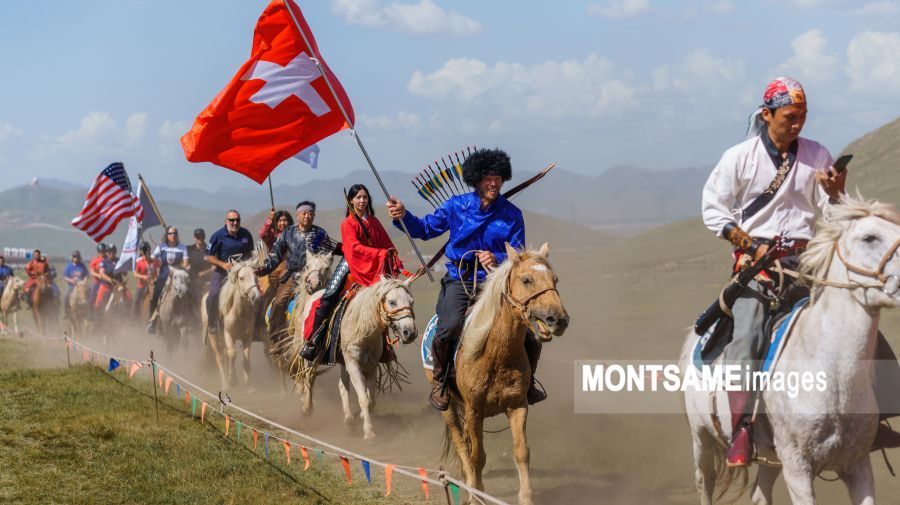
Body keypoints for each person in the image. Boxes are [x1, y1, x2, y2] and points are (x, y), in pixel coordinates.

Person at [701, 76, 900, 466]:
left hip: (808, 263)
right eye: (790, 117)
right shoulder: (739, 158)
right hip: (757, 266)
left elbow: (834, 217)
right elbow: (714, 210)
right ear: (767, 114)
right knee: (749, 335)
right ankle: (741, 429)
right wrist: (751, 245)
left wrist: (835, 194)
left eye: (802, 116)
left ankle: (877, 418)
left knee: (862, 326)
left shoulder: (816, 154)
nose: (797, 124)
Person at [387, 148, 545, 411]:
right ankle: (440, 381)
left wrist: (496, 257)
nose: (493, 183)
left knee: (530, 334)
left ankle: (527, 384)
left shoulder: (512, 214)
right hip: (459, 279)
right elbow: (425, 229)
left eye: (498, 178)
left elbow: (519, 257)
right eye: (488, 178)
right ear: (476, 180)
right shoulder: (456, 206)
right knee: (449, 326)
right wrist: (403, 216)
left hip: (496, 282)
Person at [300, 187, 399, 361]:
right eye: (358, 197)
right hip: (350, 264)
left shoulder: (374, 221)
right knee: (328, 297)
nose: (362, 200)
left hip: (373, 266)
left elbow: (386, 242)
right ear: (351, 200)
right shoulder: (347, 223)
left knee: (388, 299)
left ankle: (385, 346)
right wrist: (379, 253)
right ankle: (314, 342)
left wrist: (392, 254)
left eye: (365, 197)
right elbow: (353, 248)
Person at [256, 202, 335, 348]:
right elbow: (276, 254)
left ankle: (332, 337)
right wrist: (265, 268)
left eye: (310, 213)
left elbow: (327, 254)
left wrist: (320, 266)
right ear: (297, 215)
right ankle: (275, 339)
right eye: (304, 213)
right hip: (293, 277)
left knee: (334, 300)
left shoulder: (320, 233)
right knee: (279, 303)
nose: (307, 216)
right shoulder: (288, 233)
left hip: (317, 276)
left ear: (314, 215)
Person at [205, 210, 254, 336]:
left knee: (256, 293)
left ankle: (257, 325)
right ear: (226, 221)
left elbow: (250, 254)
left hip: (242, 274)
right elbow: (209, 257)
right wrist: (223, 264)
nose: (235, 223)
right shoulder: (217, 236)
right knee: (213, 294)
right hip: (223, 273)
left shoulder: (246, 234)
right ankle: (212, 324)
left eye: (237, 220)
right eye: (232, 220)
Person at [147, 227, 189, 333]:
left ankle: (193, 319)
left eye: (175, 233)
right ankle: (152, 321)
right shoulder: (161, 247)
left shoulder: (182, 247)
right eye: (170, 233)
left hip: (178, 278)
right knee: (155, 297)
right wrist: (146, 255)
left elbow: (186, 263)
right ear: (167, 235)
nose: (173, 235)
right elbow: (151, 260)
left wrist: (179, 268)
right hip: (163, 277)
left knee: (191, 294)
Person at [187, 228, 213, 305]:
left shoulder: (210, 249)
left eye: (202, 237)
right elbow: (184, 263)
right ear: (194, 238)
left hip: (207, 281)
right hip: (191, 281)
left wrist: (204, 272)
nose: (200, 239)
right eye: (198, 237)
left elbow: (214, 267)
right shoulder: (189, 249)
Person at [133, 242, 156, 318]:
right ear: (141, 251)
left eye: (147, 249)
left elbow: (156, 273)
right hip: (142, 285)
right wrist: (144, 277)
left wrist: (154, 279)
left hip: (153, 284)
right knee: (136, 300)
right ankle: (134, 317)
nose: (146, 251)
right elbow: (135, 274)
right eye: (144, 250)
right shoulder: (138, 262)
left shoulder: (154, 260)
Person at [62, 251, 88, 317]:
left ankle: (88, 313)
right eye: (74, 257)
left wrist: (84, 281)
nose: (75, 258)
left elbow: (86, 275)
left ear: (79, 257)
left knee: (88, 295)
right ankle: (65, 313)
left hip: (81, 285)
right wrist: (70, 280)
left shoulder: (82, 266)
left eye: (77, 257)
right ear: (72, 258)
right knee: (65, 296)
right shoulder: (69, 266)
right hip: (71, 285)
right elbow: (64, 276)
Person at [88, 243, 107, 317]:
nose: (102, 253)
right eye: (100, 251)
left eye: (103, 251)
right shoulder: (95, 260)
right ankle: (90, 315)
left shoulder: (108, 259)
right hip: (97, 282)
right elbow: (91, 271)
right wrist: (98, 275)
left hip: (107, 282)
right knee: (91, 298)